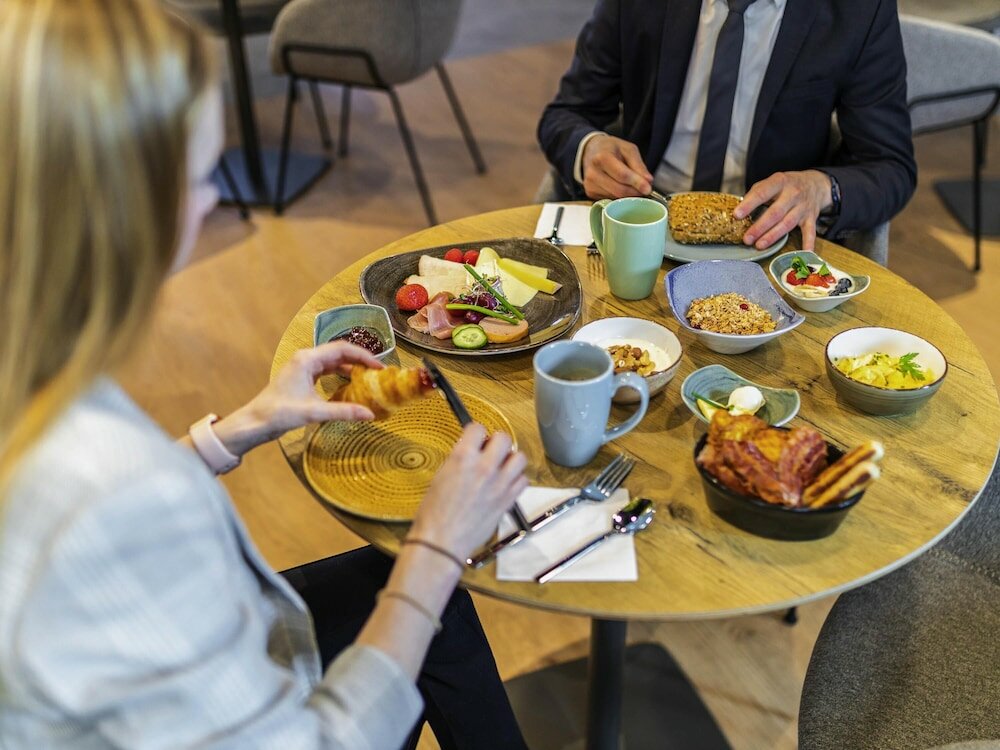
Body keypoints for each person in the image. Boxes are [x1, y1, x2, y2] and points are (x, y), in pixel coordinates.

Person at [0, 1, 529, 748]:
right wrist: (438, 545)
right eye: (198, 177)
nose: (216, 202)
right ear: (120, 214)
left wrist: (242, 427)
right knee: (423, 591)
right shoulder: (114, 487)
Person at [538, 0, 918, 255]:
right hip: (643, 218)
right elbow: (566, 113)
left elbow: (890, 166)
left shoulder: (857, 11)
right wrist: (589, 147)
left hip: (766, 237)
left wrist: (820, 186)